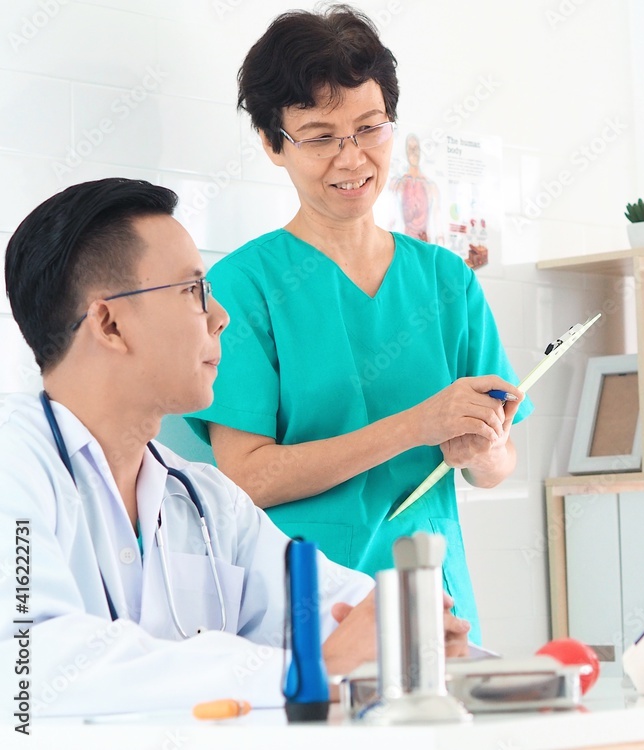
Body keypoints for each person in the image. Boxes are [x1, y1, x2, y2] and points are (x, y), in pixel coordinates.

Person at [0, 178, 469, 717]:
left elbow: (332, 605)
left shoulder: (206, 501)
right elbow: (29, 662)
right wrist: (304, 674)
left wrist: (410, 631)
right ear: (109, 323)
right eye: (194, 291)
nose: (220, 316)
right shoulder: (14, 467)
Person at [186, 6, 531, 645]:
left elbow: (498, 465)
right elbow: (246, 476)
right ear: (271, 142)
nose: (352, 158)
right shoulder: (243, 286)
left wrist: (484, 448)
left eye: (370, 128)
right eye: (320, 136)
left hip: (438, 602)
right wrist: (415, 427)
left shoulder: (444, 279)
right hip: (309, 614)